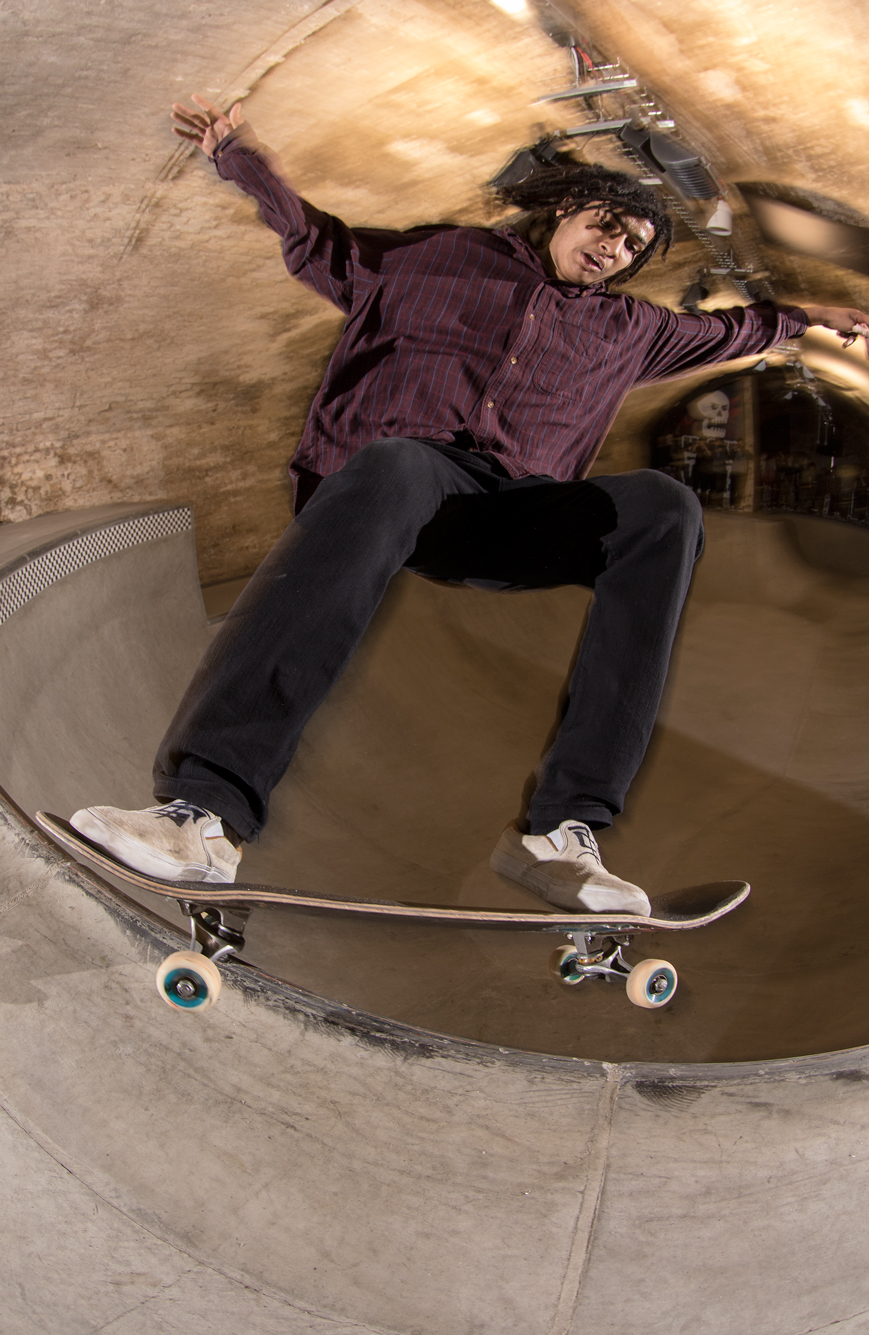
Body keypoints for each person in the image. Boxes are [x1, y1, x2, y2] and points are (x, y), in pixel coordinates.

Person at [71, 95, 869, 915]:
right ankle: (205, 814)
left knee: (664, 507)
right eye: (604, 226)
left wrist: (811, 316)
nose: (612, 249)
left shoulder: (633, 329)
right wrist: (238, 157)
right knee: (400, 462)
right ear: (565, 211)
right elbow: (320, 244)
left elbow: (736, 331)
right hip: (393, 487)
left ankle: (558, 832)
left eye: (631, 246)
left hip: (509, 517)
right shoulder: (445, 256)